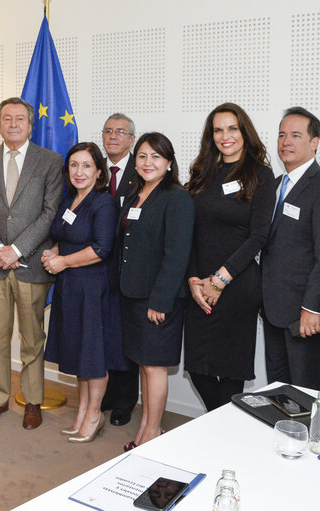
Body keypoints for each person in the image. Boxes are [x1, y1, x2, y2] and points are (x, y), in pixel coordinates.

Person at [0, 97, 63, 430]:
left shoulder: (50, 161)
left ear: (30, 124)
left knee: (32, 338)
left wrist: (17, 249)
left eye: (19, 119)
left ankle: (33, 401)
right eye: (6, 118)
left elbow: (50, 213)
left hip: (32, 264)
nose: (12, 124)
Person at [184, 103, 275, 412]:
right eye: (218, 130)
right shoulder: (202, 173)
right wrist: (195, 280)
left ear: (244, 131)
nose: (226, 136)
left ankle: (225, 439)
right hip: (199, 285)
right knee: (199, 367)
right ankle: (218, 422)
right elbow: (191, 231)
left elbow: (259, 237)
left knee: (231, 372)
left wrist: (220, 280)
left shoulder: (260, 175)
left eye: (232, 128)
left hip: (237, 284)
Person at [114, 132, 194, 450]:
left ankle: (152, 431)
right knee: (145, 366)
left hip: (157, 300)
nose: (149, 162)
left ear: (169, 163)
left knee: (154, 366)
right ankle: (148, 428)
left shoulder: (177, 197)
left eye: (156, 157)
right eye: (143, 156)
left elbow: (177, 254)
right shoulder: (136, 193)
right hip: (132, 295)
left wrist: (160, 300)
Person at [43, 142, 125, 443]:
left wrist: (62, 261)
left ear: (99, 171)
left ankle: (94, 414)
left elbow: (102, 248)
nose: (79, 171)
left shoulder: (104, 203)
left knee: (93, 356)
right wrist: (52, 254)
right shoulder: (69, 201)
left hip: (93, 288)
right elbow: (61, 238)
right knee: (79, 353)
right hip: (69, 287)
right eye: (74, 165)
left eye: (86, 165)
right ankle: (83, 412)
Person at [261, 107, 320, 390]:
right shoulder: (274, 185)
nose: (286, 142)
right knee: (278, 390)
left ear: (314, 142)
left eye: (296, 135)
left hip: (305, 313)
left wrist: (312, 307)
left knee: (305, 391)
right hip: (273, 309)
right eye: (282, 135)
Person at [99, 113, 139, 427]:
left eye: (120, 131)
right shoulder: (95, 171)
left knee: (125, 338)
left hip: (128, 269)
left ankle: (124, 401)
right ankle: (106, 396)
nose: (113, 136)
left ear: (131, 139)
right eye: (108, 131)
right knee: (101, 335)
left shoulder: (142, 172)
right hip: (95, 268)